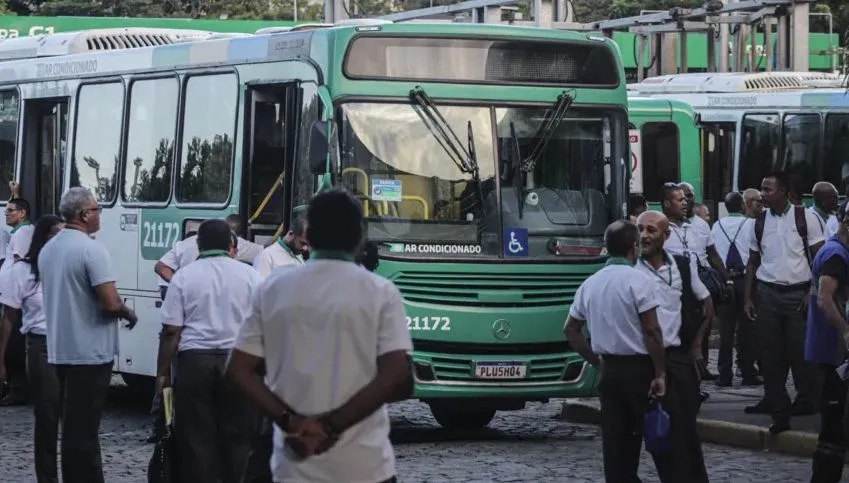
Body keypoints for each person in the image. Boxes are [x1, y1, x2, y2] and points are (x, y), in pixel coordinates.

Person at [226, 189, 413, 483]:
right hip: (366, 466)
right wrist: (331, 426)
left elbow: (238, 369)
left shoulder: (273, 289)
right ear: (359, 237)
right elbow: (399, 376)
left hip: (294, 466)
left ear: (309, 234)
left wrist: (291, 420)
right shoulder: (381, 293)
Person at [564, 220, 680, 482]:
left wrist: (596, 361)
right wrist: (660, 373)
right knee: (662, 442)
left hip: (609, 372)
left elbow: (571, 330)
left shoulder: (590, 284)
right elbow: (652, 331)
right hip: (640, 370)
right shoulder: (639, 281)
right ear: (634, 247)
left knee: (617, 450)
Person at [39, 187, 138, 483]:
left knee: (73, 426)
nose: (100, 214)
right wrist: (128, 312)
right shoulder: (91, 250)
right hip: (91, 351)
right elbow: (110, 302)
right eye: (97, 209)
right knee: (84, 430)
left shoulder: (49, 249)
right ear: (84, 215)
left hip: (60, 347)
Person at [157, 219, 261, 483]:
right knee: (239, 437)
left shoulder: (184, 276)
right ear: (231, 244)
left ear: (199, 244)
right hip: (239, 364)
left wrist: (163, 374)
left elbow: (171, 332)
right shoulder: (250, 275)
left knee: (196, 438)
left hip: (195, 364)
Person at [743, 172, 824, 433]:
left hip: (798, 293)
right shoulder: (759, 222)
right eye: (762, 189)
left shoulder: (805, 217)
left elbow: (819, 259)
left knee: (800, 353)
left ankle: (807, 401)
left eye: (768, 189)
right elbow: (753, 262)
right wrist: (748, 297)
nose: (762, 194)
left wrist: (811, 294)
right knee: (770, 356)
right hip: (767, 293)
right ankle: (779, 411)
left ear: (783, 191)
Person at [635, 210, 713, 482]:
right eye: (640, 229)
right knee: (663, 434)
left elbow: (706, 303)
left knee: (687, 432)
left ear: (666, 236)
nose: (644, 235)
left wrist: (696, 345)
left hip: (679, 360)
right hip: (646, 363)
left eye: (651, 230)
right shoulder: (630, 269)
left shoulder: (681, 265)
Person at [0, 215, 63, 483]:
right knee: (48, 418)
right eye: (56, 234)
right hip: (42, 348)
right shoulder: (24, 272)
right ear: (44, 238)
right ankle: (47, 477)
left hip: (74, 348)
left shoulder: (70, 266)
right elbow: (9, 318)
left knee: (77, 420)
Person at [662, 183, 728, 382]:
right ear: (666, 203)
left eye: (687, 198)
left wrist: (724, 280)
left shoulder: (695, 227)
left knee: (698, 334)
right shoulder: (659, 228)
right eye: (680, 199)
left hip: (694, 291)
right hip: (669, 295)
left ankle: (695, 381)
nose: (686, 203)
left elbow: (710, 255)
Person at [806, 200, 849, 482]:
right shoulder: (837, 254)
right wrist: (846, 332)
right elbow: (825, 298)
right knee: (835, 426)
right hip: (833, 350)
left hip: (831, 349)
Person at [711, 192, 760, 387]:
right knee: (746, 328)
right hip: (745, 280)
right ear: (741, 206)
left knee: (725, 329)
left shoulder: (716, 225)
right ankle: (747, 371)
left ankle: (724, 374)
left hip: (724, 280)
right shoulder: (750, 225)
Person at [0, 188, 35, 406]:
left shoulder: (23, 233)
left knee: (13, 342)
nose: (7, 214)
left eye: (11, 211)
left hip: (15, 297)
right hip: (10, 294)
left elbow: (19, 260)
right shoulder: (18, 231)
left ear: (22, 214)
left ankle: (18, 387)